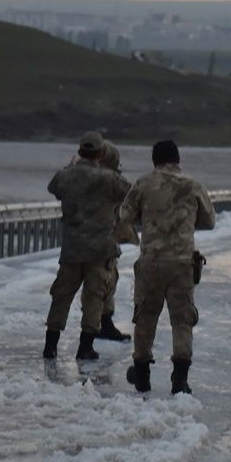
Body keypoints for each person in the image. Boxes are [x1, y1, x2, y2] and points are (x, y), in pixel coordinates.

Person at [118, 139, 216, 394]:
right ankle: (180, 380)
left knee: (145, 317)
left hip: (151, 263)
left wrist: (149, 218)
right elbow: (209, 221)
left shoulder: (143, 184)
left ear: (155, 160)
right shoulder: (193, 185)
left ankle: (142, 375)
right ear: (177, 159)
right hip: (182, 264)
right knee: (182, 320)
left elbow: (124, 215)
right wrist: (185, 222)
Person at [43, 131, 131, 360]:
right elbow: (130, 194)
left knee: (61, 297)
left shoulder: (66, 176)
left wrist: (69, 167)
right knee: (94, 299)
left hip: (72, 249)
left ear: (80, 151)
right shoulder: (110, 179)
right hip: (100, 251)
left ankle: (50, 346)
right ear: (101, 154)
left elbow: (53, 187)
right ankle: (85, 348)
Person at [95, 140, 136, 342]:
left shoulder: (84, 176)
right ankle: (101, 324)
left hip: (83, 240)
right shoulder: (112, 181)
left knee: (97, 282)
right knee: (106, 280)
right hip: (103, 240)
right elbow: (131, 194)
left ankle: (97, 324)